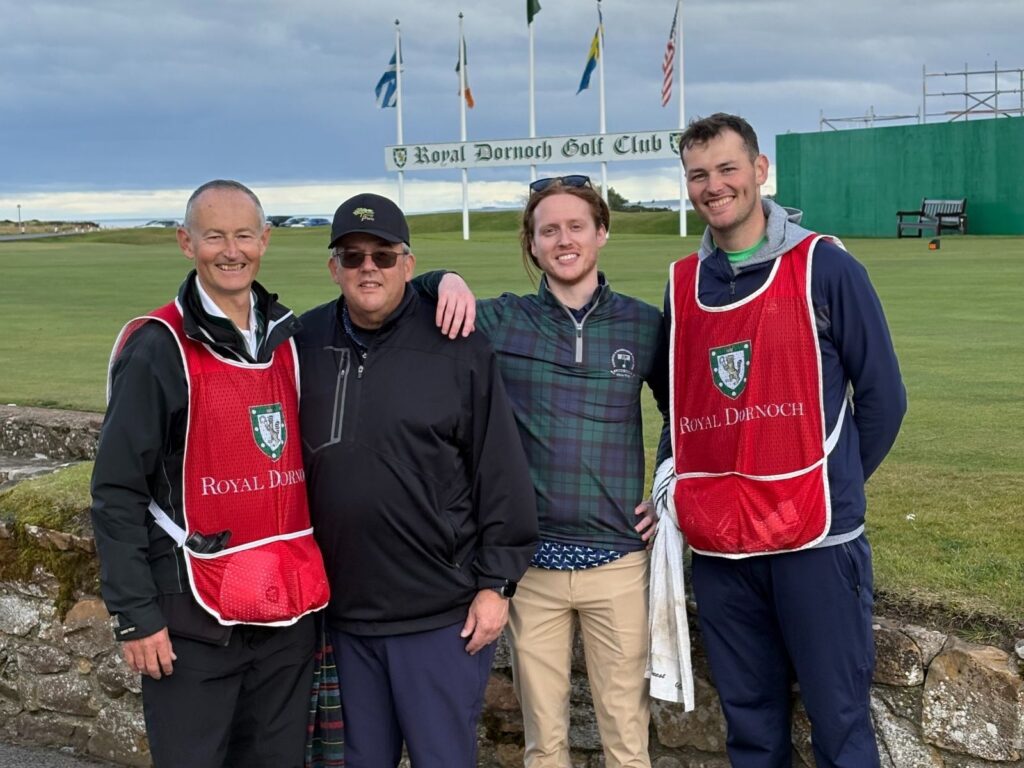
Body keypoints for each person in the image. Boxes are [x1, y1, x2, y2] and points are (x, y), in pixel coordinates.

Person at [656, 113, 906, 767]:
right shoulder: (682, 285)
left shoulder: (824, 264)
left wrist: (831, 480)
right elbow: (680, 410)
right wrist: (668, 486)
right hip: (722, 557)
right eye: (698, 175)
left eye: (728, 168)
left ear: (760, 170)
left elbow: (883, 399)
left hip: (816, 548)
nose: (714, 186)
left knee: (841, 729)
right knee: (751, 734)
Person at [428, 175, 671, 768]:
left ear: (601, 233)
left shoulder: (643, 325)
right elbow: (409, 301)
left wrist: (668, 489)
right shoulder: (504, 322)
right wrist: (445, 278)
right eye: (549, 230)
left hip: (617, 560)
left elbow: (683, 414)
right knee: (544, 741)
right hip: (530, 566)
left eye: (576, 227)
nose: (564, 240)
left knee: (626, 736)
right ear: (532, 244)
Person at [90, 179, 330, 767]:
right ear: (185, 242)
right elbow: (117, 491)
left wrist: (437, 281)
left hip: (285, 615)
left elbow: (382, 305)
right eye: (214, 235)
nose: (231, 250)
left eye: (244, 235)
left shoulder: (291, 339)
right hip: (191, 622)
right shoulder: (157, 347)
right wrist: (135, 616)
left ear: (265, 240)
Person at [296, 193, 538, 768]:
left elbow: (498, 469)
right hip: (341, 615)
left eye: (383, 255)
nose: (368, 268)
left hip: (438, 617)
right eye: (352, 257)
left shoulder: (457, 344)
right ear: (334, 268)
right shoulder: (301, 343)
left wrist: (496, 583)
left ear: (408, 263)